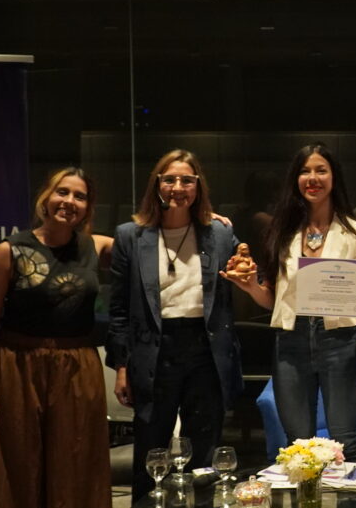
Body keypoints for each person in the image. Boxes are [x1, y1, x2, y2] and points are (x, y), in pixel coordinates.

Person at [222, 143, 356, 460]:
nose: (313, 178)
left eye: (321, 170)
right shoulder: (281, 232)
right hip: (291, 341)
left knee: (344, 442)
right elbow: (273, 299)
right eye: (305, 171)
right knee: (298, 445)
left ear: (334, 177)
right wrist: (250, 287)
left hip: (339, 341)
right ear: (295, 179)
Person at [0, 167, 114, 508]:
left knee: (75, 463)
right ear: (46, 197)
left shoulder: (97, 246)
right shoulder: (11, 250)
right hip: (17, 368)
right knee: (18, 465)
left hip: (77, 369)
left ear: (88, 208)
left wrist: (204, 219)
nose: (69, 201)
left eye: (80, 196)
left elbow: (151, 246)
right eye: (62, 191)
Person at [105, 149, 244, 503]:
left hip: (205, 351)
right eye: (169, 179)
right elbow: (118, 309)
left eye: (187, 180)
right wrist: (122, 367)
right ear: (157, 184)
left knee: (205, 457)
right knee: (150, 454)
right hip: (154, 351)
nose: (178, 187)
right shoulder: (130, 236)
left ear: (198, 186)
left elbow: (241, 278)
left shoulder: (220, 233)